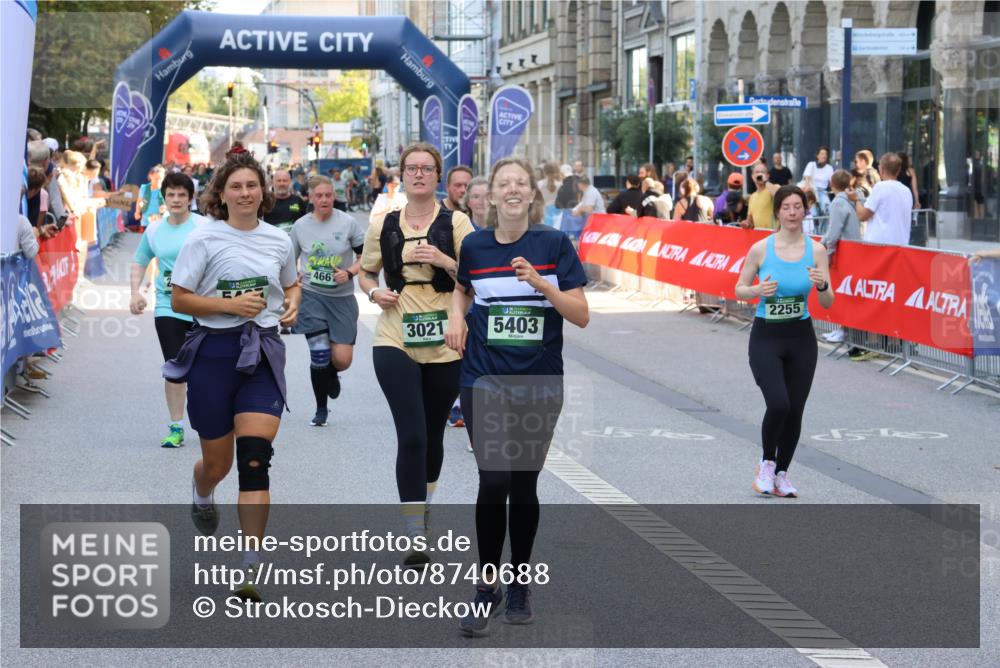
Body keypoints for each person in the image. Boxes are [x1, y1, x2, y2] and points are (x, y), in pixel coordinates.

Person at [445, 157, 589, 635]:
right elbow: (462, 289)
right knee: (494, 481)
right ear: (489, 196)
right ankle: (486, 587)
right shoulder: (476, 246)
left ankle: (519, 581)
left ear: (531, 195)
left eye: (519, 184)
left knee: (524, 485)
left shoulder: (553, 244)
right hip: (484, 377)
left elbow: (581, 315)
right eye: (503, 183)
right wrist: (456, 316)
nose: (511, 190)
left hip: (540, 381)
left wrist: (542, 284)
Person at [165, 148, 300, 602]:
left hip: (261, 351)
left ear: (263, 192)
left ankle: (251, 565)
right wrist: (228, 305)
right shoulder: (204, 240)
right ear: (221, 194)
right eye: (236, 186)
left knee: (255, 458)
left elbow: (290, 280)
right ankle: (202, 491)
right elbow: (180, 298)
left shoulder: (279, 240)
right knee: (218, 464)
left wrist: (294, 298)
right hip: (214, 354)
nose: (245, 193)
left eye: (252, 185)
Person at [358, 143, 475, 568]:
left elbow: (478, 278)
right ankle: (414, 533)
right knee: (411, 434)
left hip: (446, 337)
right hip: (395, 336)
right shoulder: (384, 223)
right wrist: (374, 291)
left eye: (427, 168)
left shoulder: (457, 223)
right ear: (402, 175)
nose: (419, 175)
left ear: (438, 176)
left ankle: (424, 503)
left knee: (433, 435)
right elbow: (365, 270)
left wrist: (444, 258)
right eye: (412, 168)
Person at [735, 186, 834, 498]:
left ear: (805, 211)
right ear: (777, 212)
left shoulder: (817, 251)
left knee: (795, 410)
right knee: (779, 403)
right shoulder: (761, 249)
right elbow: (740, 288)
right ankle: (766, 462)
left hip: (801, 338)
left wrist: (822, 286)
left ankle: (782, 474)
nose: (793, 213)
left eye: (798, 207)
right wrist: (756, 292)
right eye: (786, 207)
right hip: (767, 336)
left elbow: (829, 302)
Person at [130, 173, 207, 448]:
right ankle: (176, 426)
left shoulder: (204, 226)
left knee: (203, 369)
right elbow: (140, 260)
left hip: (203, 306)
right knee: (175, 367)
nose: (176, 200)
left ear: (190, 199)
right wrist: (135, 292)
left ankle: (208, 419)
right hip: (168, 305)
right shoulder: (154, 230)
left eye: (181, 195)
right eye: (171, 194)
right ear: (164, 197)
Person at [289, 175, 366, 427]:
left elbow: (366, 257)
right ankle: (321, 408)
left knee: (341, 360)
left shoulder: (348, 223)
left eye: (328, 195)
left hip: (342, 298)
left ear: (334, 195)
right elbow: (289, 260)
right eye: (319, 196)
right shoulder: (300, 226)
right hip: (312, 296)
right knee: (320, 353)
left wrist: (351, 272)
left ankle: (332, 374)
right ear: (309, 198)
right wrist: (293, 281)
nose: (324, 200)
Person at [820, 169, 864, 355]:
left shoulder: (838, 202)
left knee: (843, 291)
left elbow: (834, 230)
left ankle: (843, 330)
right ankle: (843, 329)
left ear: (832, 184)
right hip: (855, 249)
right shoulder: (854, 198)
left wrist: (826, 250)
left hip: (844, 252)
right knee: (849, 291)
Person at [850, 152, 913, 246]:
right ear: (899, 170)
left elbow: (862, 216)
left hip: (879, 248)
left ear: (881, 169)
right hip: (900, 247)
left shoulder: (880, 187)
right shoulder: (907, 191)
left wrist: (856, 200)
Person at [746, 162, 780, 230]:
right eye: (757, 172)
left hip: (773, 234)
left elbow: (780, 196)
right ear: (752, 176)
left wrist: (765, 181)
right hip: (758, 234)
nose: (760, 174)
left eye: (762, 172)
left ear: (767, 175)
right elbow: (750, 220)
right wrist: (746, 223)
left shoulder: (774, 187)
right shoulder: (752, 197)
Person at [801, 146, 834, 214]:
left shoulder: (829, 168)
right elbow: (807, 177)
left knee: (827, 209)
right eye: (822, 154)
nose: (824, 156)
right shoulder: (811, 164)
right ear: (817, 155)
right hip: (811, 190)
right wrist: (808, 191)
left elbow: (831, 182)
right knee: (813, 212)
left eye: (826, 154)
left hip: (822, 192)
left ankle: (824, 225)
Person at [537, 162, 562, 228]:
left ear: (544, 172)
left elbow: (537, 201)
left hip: (543, 213)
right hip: (558, 215)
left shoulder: (539, 185)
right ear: (556, 172)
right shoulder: (560, 185)